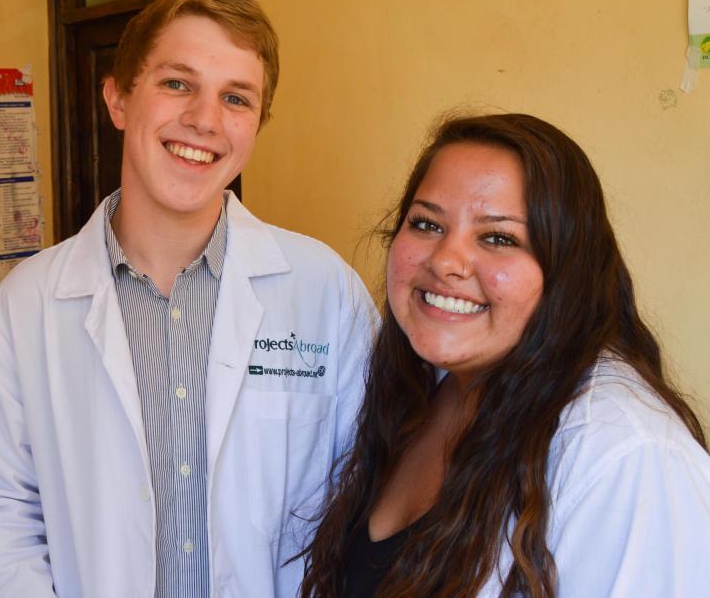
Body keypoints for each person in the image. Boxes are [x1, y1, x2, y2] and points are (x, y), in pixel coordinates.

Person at [0, 0, 377, 596]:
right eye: (179, 83)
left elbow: (362, 491)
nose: (205, 119)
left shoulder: (324, 292)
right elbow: (7, 514)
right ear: (119, 99)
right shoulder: (24, 307)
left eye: (236, 98)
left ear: (256, 124)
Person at [298, 113, 710, 597]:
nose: (446, 261)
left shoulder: (627, 453)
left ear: (566, 269)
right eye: (427, 224)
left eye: (498, 238)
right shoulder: (427, 389)